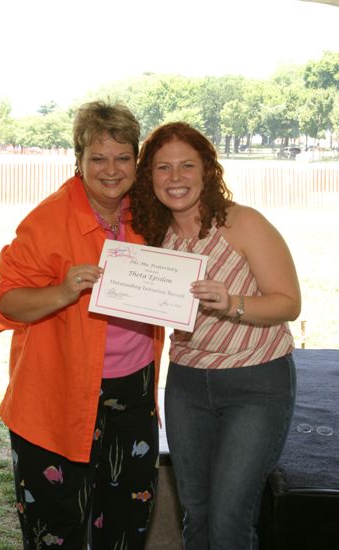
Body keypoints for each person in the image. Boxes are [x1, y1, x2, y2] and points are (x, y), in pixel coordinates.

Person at [0, 100, 164, 550]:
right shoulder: (48, 221)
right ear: (78, 160)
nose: (111, 169)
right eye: (97, 158)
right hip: (56, 393)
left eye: (123, 157)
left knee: (126, 520)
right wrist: (62, 292)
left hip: (133, 390)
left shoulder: (146, 212)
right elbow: (3, 302)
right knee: (55, 528)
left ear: (136, 161)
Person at [130, 122, 301, 550]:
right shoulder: (153, 237)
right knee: (197, 512)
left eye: (187, 165)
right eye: (162, 167)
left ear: (207, 170)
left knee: (229, 518)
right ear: (148, 176)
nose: (175, 178)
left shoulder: (243, 223)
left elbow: (288, 303)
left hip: (256, 383)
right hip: (187, 384)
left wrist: (232, 304)